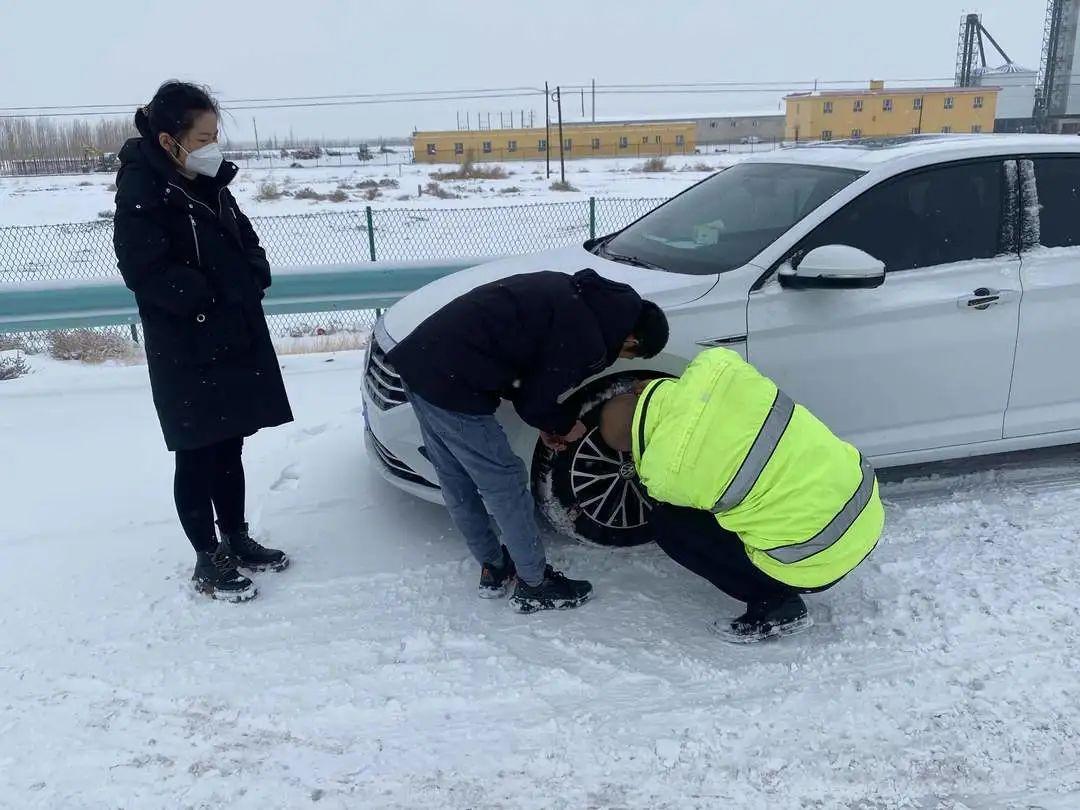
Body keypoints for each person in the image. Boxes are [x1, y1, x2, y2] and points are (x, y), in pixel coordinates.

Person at [388, 269, 669, 613]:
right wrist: (566, 425)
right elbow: (533, 398)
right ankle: (535, 584)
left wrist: (546, 422)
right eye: (631, 357)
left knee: (456, 479)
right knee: (505, 484)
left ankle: (494, 567)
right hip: (453, 384)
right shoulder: (588, 337)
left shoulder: (577, 295)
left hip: (422, 360)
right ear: (631, 341)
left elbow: (524, 363)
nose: (622, 359)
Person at [113, 81, 293, 603]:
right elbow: (143, 269)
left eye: (217, 134)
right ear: (171, 141)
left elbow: (246, 240)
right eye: (205, 136)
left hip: (232, 334)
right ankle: (206, 557)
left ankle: (235, 537)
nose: (215, 146)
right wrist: (212, 297)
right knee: (196, 449)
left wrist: (252, 275)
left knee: (230, 439)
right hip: (185, 346)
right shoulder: (143, 188)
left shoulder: (208, 180)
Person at [599, 348, 884, 642]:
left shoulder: (662, 474)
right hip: (864, 507)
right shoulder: (717, 366)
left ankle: (776, 604)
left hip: (814, 560)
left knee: (669, 523)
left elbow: (669, 482)